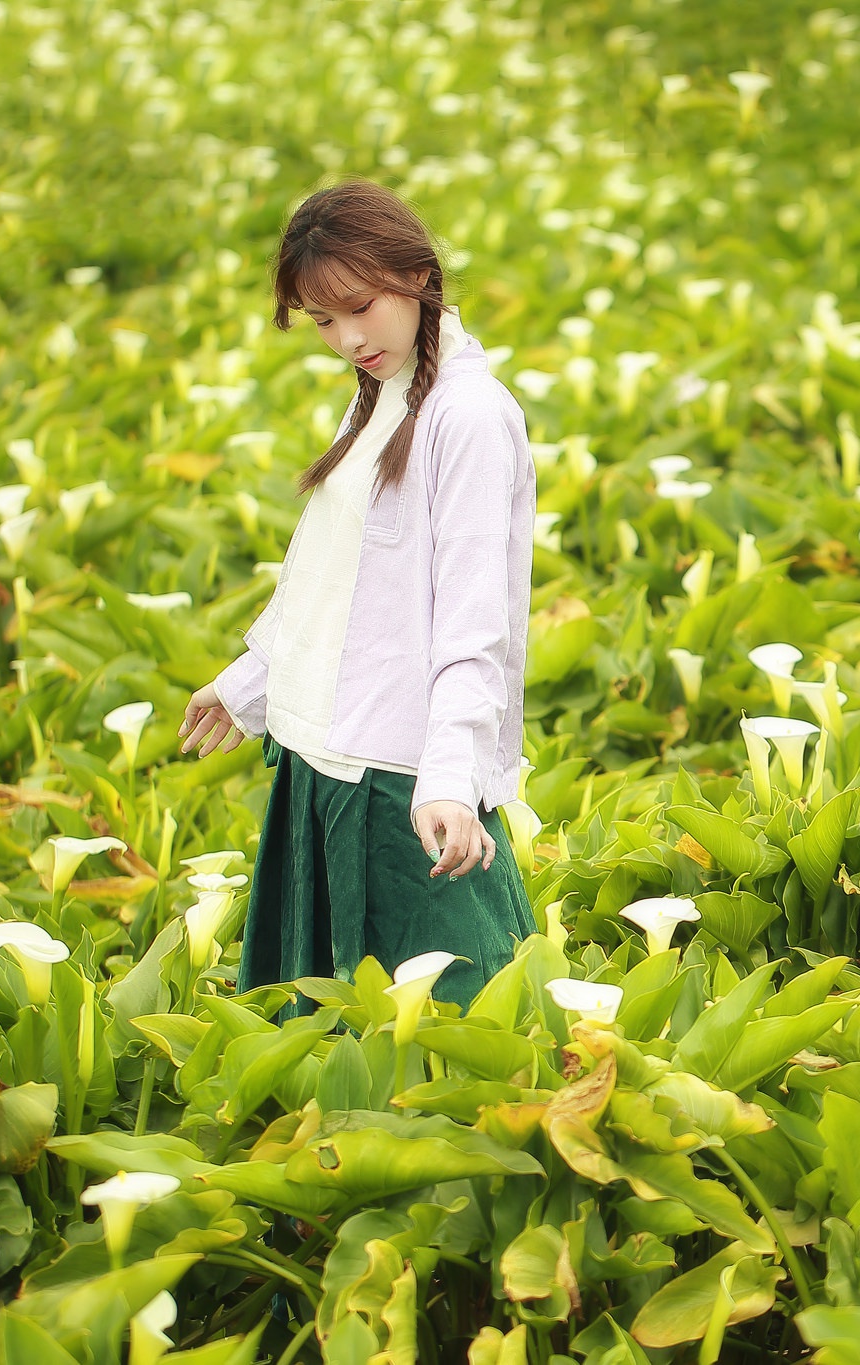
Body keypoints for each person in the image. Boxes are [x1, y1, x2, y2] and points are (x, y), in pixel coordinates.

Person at [178, 177, 537, 1018]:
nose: (346, 338)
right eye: (322, 321)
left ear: (416, 273)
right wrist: (252, 681)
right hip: (325, 761)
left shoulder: (470, 416)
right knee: (335, 1040)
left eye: (359, 306)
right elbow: (337, 577)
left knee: (456, 1029)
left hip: (401, 780)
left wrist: (450, 778)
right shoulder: (383, 394)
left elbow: (475, 625)